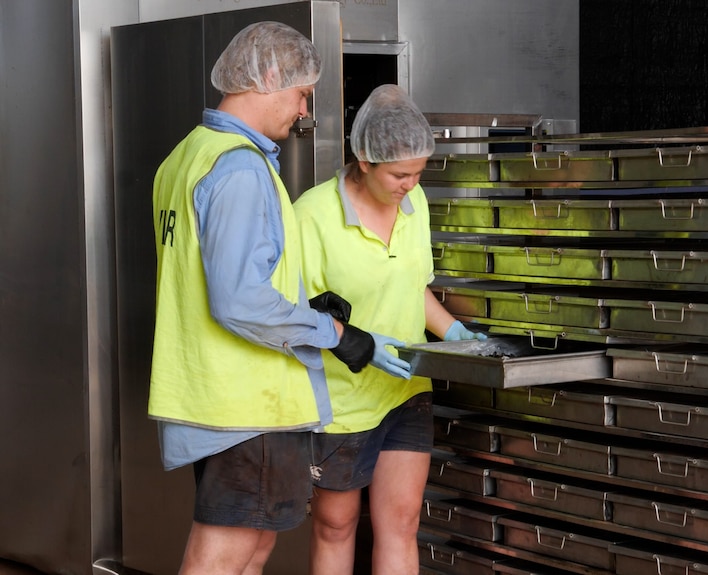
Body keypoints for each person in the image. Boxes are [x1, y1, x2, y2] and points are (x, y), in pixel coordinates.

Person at [149, 23, 404, 575]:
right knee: (226, 551)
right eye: (301, 92)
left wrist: (305, 307)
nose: (303, 108)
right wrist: (337, 335)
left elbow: (215, 278)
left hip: (215, 396)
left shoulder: (187, 156)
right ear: (268, 76)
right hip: (248, 400)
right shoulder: (239, 167)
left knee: (252, 545)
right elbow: (239, 300)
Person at [294, 84, 487, 575]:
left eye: (418, 173)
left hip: (405, 388)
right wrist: (353, 344)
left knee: (400, 524)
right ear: (364, 160)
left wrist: (453, 332)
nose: (410, 184)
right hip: (340, 400)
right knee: (336, 525)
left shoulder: (414, 203)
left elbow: (413, 287)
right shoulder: (311, 215)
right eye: (400, 174)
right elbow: (294, 311)